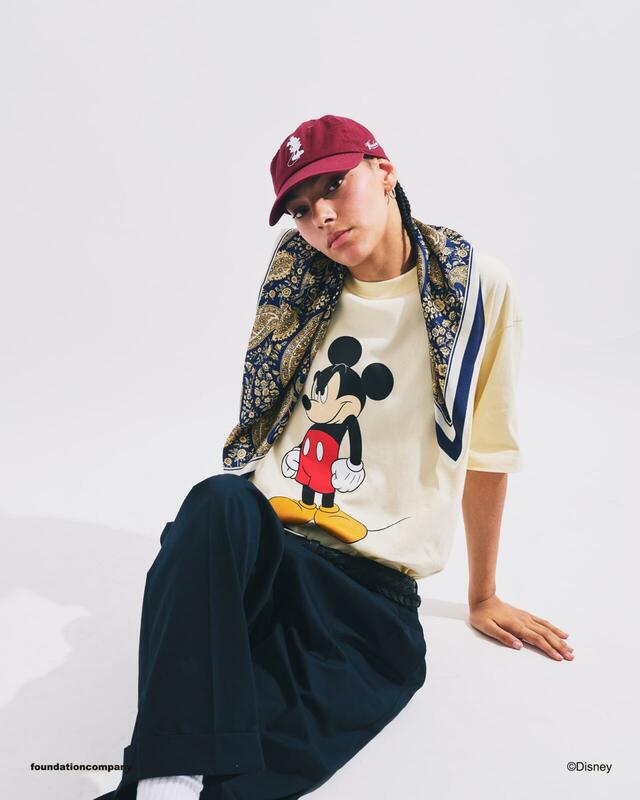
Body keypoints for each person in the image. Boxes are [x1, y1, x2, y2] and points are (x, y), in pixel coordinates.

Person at [95, 115, 573, 800]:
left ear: (385, 172)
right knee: (217, 500)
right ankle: (160, 776)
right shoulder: (299, 283)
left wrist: (483, 594)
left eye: (333, 186)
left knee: (243, 774)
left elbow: (488, 450)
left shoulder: (474, 289)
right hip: (267, 555)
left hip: (364, 599)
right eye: (299, 207)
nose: (319, 216)